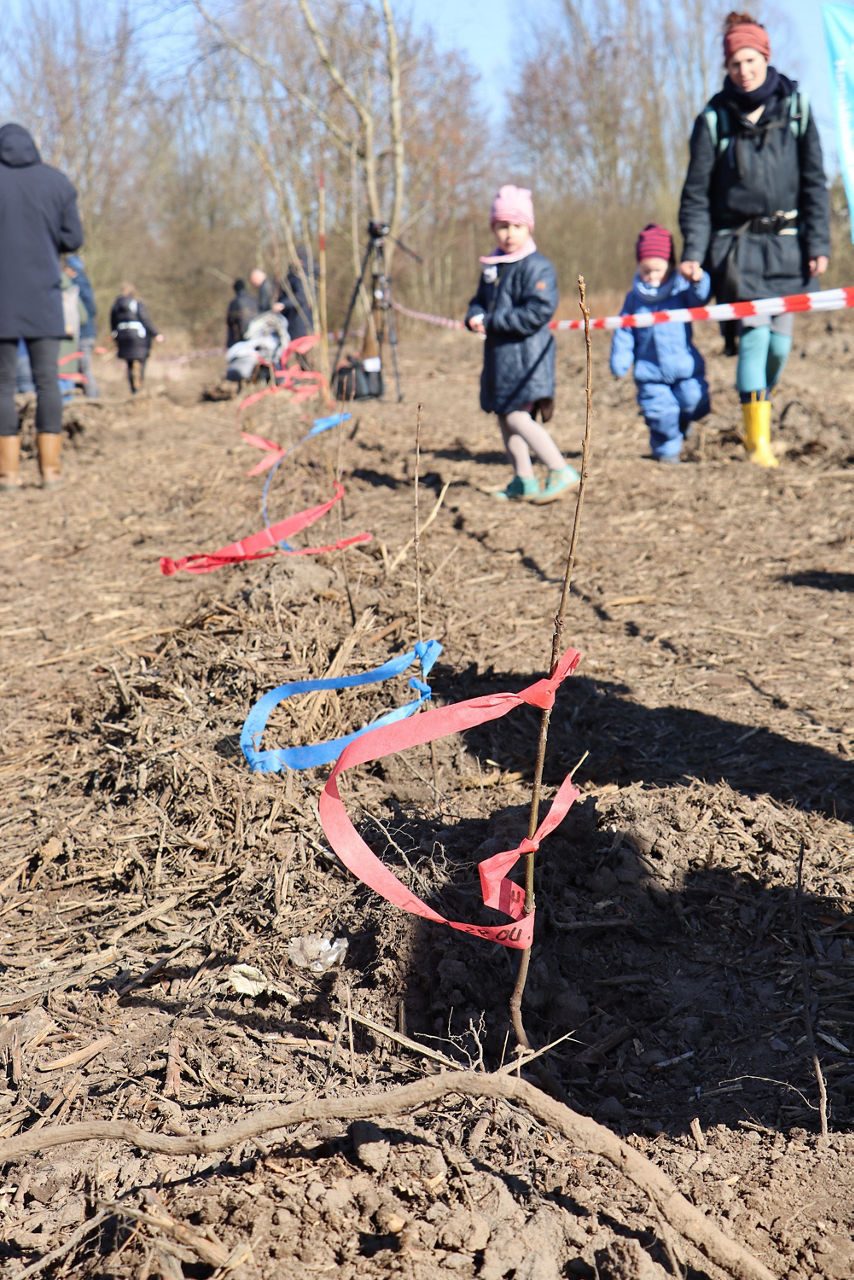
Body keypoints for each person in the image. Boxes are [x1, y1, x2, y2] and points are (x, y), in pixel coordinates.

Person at [678, 10, 830, 467]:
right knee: (754, 337)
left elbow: (814, 182)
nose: (743, 70)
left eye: (750, 60)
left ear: (765, 57)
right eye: (734, 63)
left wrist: (819, 243)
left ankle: (758, 410)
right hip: (737, 250)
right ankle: (757, 443)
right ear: (726, 67)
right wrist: (693, 252)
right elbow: (696, 194)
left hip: (788, 245)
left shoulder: (796, 110)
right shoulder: (713, 120)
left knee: (779, 346)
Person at [465, 185, 578, 502]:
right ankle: (523, 479)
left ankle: (560, 469)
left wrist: (492, 321)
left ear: (529, 227)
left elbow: (537, 312)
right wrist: (474, 316)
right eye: (502, 225)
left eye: (517, 225)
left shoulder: (537, 266)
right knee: (504, 416)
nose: (509, 233)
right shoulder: (493, 267)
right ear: (493, 228)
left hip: (529, 359)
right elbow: (479, 301)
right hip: (500, 359)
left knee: (517, 417)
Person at [0, 122, 83, 491]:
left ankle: (8, 475)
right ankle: (51, 471)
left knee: (2, 385)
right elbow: (73, 238)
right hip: (43, 297)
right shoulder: (56, 182)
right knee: (48, 382)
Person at [610, 224, 711, 464]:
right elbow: (625, 330)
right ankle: (666, 450)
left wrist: (698, 280)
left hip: (685, 367)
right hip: (650, 372)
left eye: (657, 270)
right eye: (646, 271)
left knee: (693, 400)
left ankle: (684, 422)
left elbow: (699, 299)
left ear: (670, 265)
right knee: (660, 413)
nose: (652, 276)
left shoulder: (680, 289)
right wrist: (621, 359)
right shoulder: (634, 298)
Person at [110, 283, 163, 394]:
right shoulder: (137, 303)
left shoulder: (116, 305)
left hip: (123, 336)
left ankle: (133, 389)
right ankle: (140, 385)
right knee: (142, 359)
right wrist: (156, 334)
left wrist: (115, 336)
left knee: (129, 363)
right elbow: (145, 319)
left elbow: (113, 322)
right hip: (138, 337)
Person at [64, 254, 99, 398]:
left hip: (83, 333)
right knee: (80, 368)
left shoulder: (77, 285)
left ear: (71, 269)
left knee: (84, 368)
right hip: (84, 332)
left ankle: (93, 398)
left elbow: (90, 310)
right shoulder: (81, 284)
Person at [226, 278, 258, 347]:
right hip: (255, 336)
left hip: (241, 339)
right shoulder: (255, 300)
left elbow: (229, 321)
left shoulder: (234, 302)